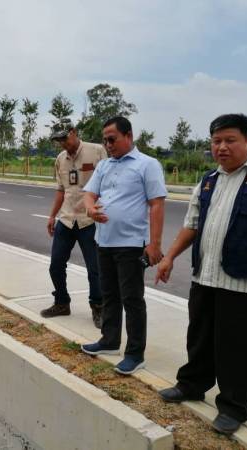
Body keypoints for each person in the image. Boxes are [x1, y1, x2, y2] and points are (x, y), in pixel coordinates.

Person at [155, 113, 247, 435]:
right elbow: (191, 225)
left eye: (230, 140)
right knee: (200, 337)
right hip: (205, 278)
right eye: (216, 141)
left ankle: (234, 408)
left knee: (238, 347)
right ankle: (192, 384)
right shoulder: (209, 180)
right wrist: (169, 257)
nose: (221, 147)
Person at [81, 116, 167, 375]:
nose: (108, 144)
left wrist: (155, 244)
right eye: (105, 140)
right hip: (103, 240)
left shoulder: (147, 165)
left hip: (131, 244)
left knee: (132, 299)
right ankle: (109, 340)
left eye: (112, 139)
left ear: (128, 136)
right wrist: (90, 208)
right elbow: (89, 194)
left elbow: (157, 204)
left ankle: (135, 354)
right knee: (109, 294)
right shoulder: (105, 166)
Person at [40, 124, 107, 328]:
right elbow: (61, 190)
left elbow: (109, 183)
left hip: (89, 220)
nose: (62, 143)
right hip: (67, 219)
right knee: (56, 265)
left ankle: (98, 307)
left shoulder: (96, 151)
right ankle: (62, 302)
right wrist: (52, 216)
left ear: (74, 133)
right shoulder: (60, 159)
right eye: (58, 140)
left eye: (64, 138)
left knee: (94, 269)